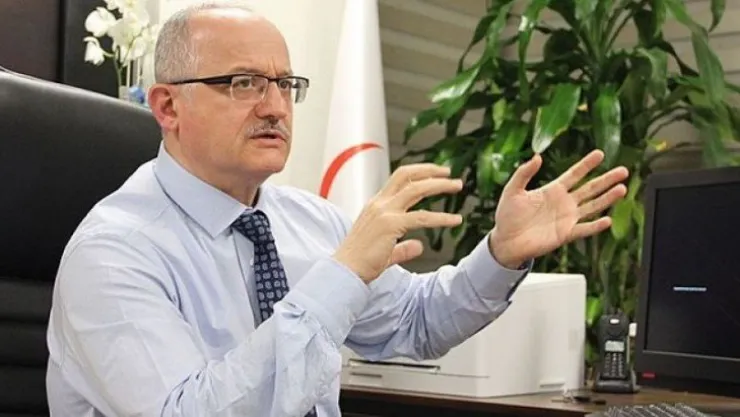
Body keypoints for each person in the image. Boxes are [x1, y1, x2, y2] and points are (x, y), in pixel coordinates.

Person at [45, 2, 629, 416]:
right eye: (245, 83)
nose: (275, 107)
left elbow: (417, 322)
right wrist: (341, 275)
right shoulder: (113, 251)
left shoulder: (310, 219)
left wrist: (501, 254)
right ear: (168, 107)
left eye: (285, 84)